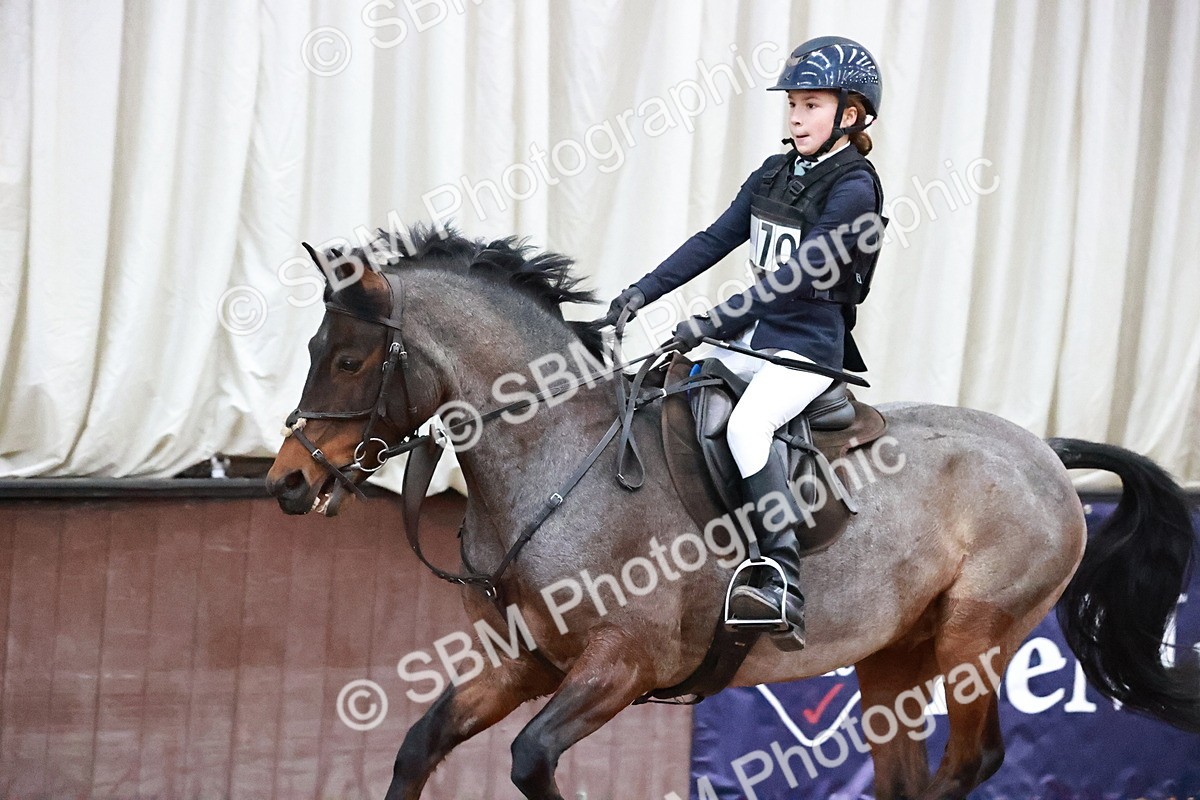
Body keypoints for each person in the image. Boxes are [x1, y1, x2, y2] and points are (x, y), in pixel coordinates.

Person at [605, 36, 887, 651]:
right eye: (791, 104)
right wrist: (641, 292)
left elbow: (798, 276)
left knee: (747, 428)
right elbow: (714, 239)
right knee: (662, 387)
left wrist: (711, 320)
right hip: (753, 337)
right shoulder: (775, 172)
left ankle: (780, 575)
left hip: (807, 348)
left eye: (810, 105)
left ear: (851, 113)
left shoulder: (855, 189)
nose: (794, 116)